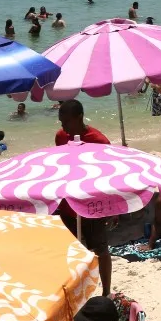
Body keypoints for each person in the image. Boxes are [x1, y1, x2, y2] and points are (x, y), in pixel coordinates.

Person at [54, 99, 112, 294]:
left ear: (79, 117)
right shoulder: (61, 137)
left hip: (93, 204)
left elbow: (108, 176)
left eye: (66, 122)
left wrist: (112, 209)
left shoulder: (99, 141)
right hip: (68, 203)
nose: (63, 127)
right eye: (61, 122)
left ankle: (105, 291)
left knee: (101, 249)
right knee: (72, 250)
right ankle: (77, 290)